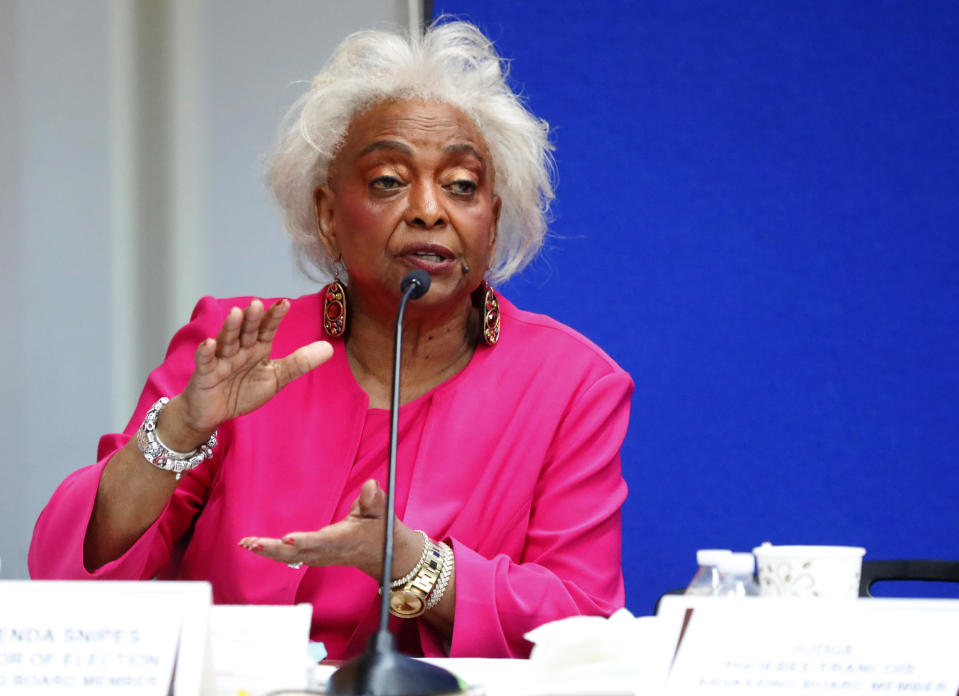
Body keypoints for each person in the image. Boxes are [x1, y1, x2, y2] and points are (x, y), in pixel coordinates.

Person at [29, 20, 632, 659]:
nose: (430, 209)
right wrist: (178, 431)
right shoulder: (239, 346)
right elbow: (71, 578)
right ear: (327, 214)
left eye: (462, 185)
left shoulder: (571, 386)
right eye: (388, 181)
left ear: (492, 219)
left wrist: (416, 566)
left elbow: (585, 627)